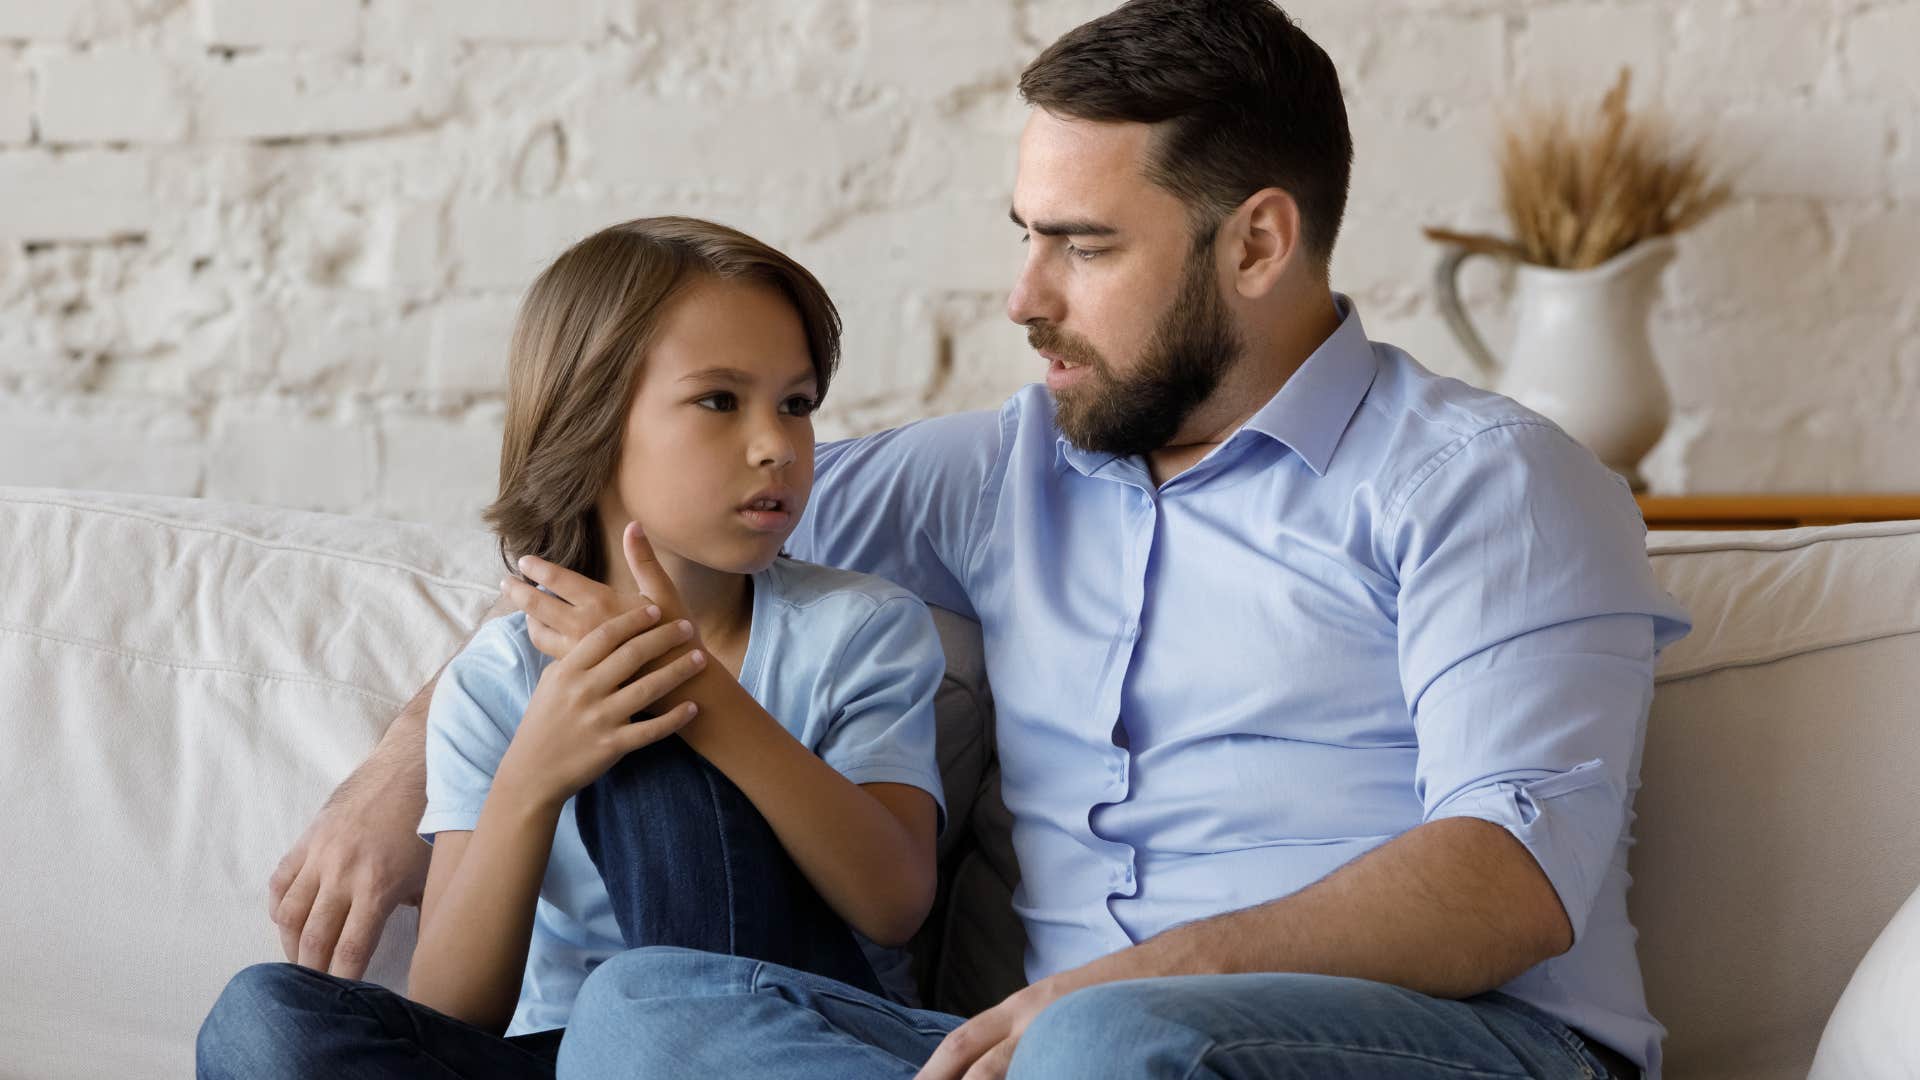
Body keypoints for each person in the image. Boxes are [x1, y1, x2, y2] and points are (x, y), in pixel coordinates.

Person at [260, 1, 1693, 1077]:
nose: (1021, 296)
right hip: (1034, 1053)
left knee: (1109, 1048)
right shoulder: (1002, 468)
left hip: (1448, 1042)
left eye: (1083, 244)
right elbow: (645, 527)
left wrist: (1111, 990)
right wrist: (409, 771)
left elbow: (1510, 874)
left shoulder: (1489, 482)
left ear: (1257, 244)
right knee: (648, 1011)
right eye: (1027, 233)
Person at [196, 218, 949, 1078]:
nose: (776, 444)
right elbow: (453, 1009)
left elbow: (894, 903)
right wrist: (535, 774)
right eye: (719, 400)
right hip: (564, 1056)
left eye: (797, 403)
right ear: (592, 421)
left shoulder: (860, 628)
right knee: (265, 1019)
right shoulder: (498, 679)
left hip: (768, 1039)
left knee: (642, 895)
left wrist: (697, 693)